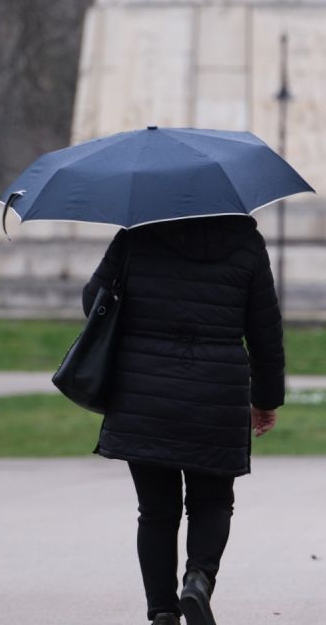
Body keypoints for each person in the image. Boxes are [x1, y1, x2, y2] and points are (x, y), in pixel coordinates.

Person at [83, 216, 284, 625]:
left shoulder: (136, 235)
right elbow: (265, 331)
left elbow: (93, 300)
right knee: (212, 502)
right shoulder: (246, 242)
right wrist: (266, 399)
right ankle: (198, 579)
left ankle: (161, 611)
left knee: (156, 511)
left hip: (144, 389)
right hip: (218, 391)